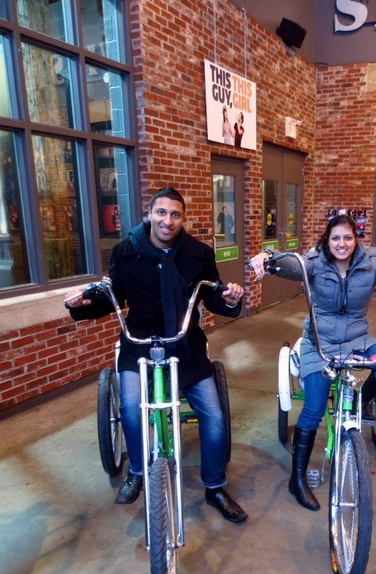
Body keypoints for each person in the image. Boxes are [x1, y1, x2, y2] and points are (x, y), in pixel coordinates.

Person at [64, 187, 248, 523]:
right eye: (161, 212)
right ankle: (137, 471)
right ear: (149, 214)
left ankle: (215, 487)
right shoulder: (125, 251)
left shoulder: (199, 253)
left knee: (214, 417)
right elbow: (113, 295)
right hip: (139, 345)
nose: (167, 220)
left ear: (183, 219)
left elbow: (212, 295)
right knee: (130, 409)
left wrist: (230, 299)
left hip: (185, 346)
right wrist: (85, 303)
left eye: (175, 214)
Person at [249, 215, 376, 511]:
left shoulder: (370, 263)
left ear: (355, 239)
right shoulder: (314, 263)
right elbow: (293, 265)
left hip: (357, 338)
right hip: (319, 341)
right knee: (313, 408)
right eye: (335, 238)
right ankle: (297, 480)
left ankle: (362, 399)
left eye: (347, 237)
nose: (341, 243)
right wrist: (268, 258)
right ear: (327, 240)